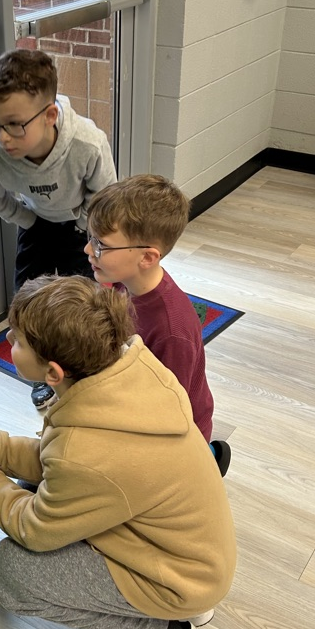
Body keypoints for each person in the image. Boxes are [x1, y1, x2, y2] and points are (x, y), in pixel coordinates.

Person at [0, 275, 236, 629]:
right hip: (194, 553)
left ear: (53, 372)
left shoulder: (85, 449)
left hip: (183, 577)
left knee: (16, 575)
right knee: (31, 485)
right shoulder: (127, 370)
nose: (9, 340)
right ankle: (175, 607)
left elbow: (34, 529)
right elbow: (52, 458)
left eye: (16, 340)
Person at [0, 49, 117, 410]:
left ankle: (85, 368)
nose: (4, 137)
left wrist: (83, 224)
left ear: (50, 115)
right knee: (27, 303)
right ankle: (41, 376)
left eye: (14, 124)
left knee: (86, 299)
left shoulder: (88, 143)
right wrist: (25, 219)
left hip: (81, 226)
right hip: (37, 224)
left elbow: (104, 194)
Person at [85, 174, 231, 476]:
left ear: (147, 257)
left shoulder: (172, 331)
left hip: (177, 430)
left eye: (101, 245)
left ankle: (206, 460)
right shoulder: (124, 284)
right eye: (89, 239)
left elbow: (169, 412)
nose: (88, 251)